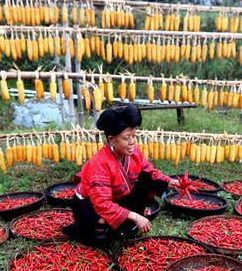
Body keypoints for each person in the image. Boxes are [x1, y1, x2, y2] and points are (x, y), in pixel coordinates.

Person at [63, 104, 180, 244]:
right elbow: (103, 204)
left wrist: (171, 182)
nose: (132, 142)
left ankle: (123, 222)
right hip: (89, 204)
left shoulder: (133, 152)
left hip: (114, 196)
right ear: (112, 139)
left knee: (148, 179)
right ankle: (85, 228)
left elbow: (150, 171)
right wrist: (135, 217)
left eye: (134, 136)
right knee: (103, 227)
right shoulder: (100, 164)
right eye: (126, 138)